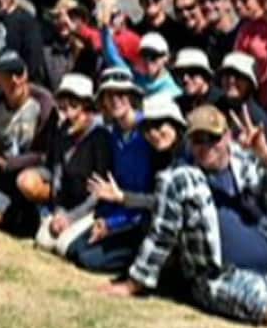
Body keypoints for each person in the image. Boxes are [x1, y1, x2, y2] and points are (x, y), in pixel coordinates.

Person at [103, 105, 267, 328]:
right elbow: (161, 235)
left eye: (212, 138)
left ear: (226, 137)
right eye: (198, 140)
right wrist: (132, 285)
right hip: (222, 278)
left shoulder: (249, 164)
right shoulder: (178, 180)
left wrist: (266, 155)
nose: (205, 147)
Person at [72, 92, 185, 273]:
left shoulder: (185, 157)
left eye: (159, 125)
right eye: (148, 128)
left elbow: (161, 202)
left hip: (159, 230)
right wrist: (107, 220)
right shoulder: (157, 153)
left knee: (88, 258)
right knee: (76, 250)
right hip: (133, 219)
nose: (154, 133)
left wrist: (120, 202)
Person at [19, 73, 112, 257]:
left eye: (74, 105)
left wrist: (70, 218)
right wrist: (60, 211)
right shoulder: (62, 133)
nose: (67, 113)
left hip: (90, 209)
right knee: (44, 242)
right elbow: (58, 178)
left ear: (87, 108)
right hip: (66, 205)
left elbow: (97, 193)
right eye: (63, 105)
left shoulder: (100, 138)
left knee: (63, 248)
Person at [0, 51, 60, 235]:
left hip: (36, 171)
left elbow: (44, 154)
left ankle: (44, 213)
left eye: (19, 74)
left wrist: (10, 164)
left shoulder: (44, 103)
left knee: (27, 183)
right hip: (3, 177)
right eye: (8, 75)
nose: (15, 80)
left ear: (26, 74)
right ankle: (20, 219)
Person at [99, 0, 180, 98]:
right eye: (144, 55)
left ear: (165, 58)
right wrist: (105, 26)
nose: (147, 61)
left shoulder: (174, 92)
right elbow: (111, 56)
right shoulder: (135, 76)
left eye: (153, 56)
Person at [214, 52, 267, 145]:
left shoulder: (259, 120)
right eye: (227, 74)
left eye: (238, 75)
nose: (231, 80)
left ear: (249, 83)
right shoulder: (212, 108)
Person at [40, 0, 101, 91]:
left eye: (72, 17)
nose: (64, 21)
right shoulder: (46, 52)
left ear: (82, 21)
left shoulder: (90, 46)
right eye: (58, 16)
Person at [201, 0, 242, 68]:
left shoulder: (242, 34)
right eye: (202, 1)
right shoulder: (203, 39)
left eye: (213, 0)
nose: (207, 5)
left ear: (228, 3)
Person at [174, 48, 222, 115]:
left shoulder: (220, 102)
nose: (185, 78)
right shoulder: (179, 104)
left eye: (191, 72)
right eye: (180, 73)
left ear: (205, 74)